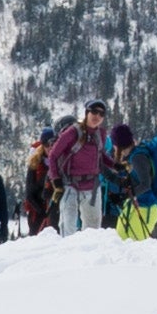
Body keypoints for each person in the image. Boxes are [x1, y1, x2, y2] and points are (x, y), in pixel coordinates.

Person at [45, 99, 112, 236]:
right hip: (70, 184)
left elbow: (101, 156)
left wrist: (116, 165)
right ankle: (69, 255)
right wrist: (56, 180)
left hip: (92, 185)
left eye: (101, 114)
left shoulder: (101, 134)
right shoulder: (72, 132)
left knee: (93, 230)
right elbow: (53, 156)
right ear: (87, 112)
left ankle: (89, 256)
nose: (97, 116)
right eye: (94, 111)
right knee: (68, 227)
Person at [22, 127, 58, 236]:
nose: (50, 148)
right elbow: (29, 193)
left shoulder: (61, 162)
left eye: (53, 144)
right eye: (47, 145)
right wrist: (41, 211)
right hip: (38, 212)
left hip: (55, 209)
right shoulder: (35, 164)